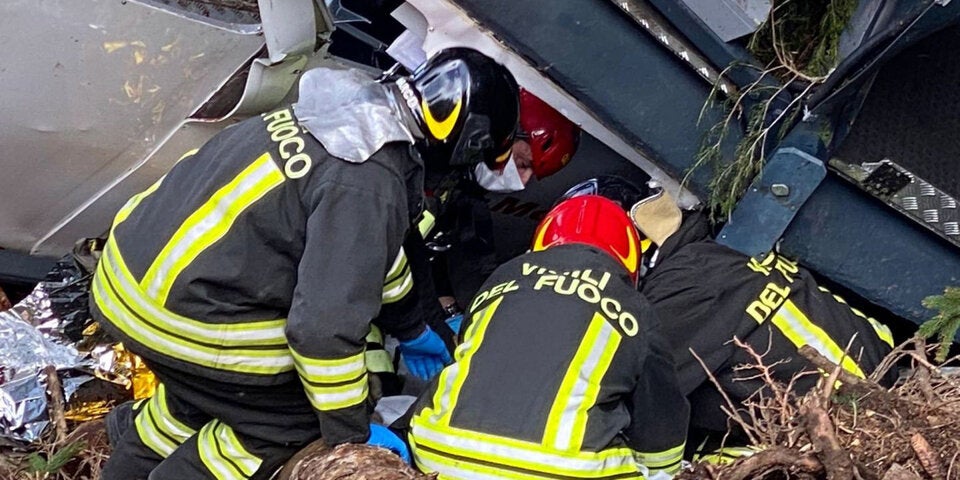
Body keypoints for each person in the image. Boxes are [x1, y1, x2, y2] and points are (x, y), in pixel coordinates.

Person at [91, 47, 520, 479]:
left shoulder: (339, 120)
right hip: (184, 316)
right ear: (466, 144)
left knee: (199, 400)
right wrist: (350, 430)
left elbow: (376, 259)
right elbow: (321, 332)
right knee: (289, 421)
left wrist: (413, 329)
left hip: (128, 283)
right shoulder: (369, 181)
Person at [560, 175, 897, 458]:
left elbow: (619, 404)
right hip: (874, 384)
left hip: (851, 422)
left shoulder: (682, 291)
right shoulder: (705, 258)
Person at [405, 194, 690, 479]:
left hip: (440, 450)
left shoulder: (504, 277)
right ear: (628, 256)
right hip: (561, 469)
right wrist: (664, 473)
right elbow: (660, 416)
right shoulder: (634, 307)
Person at [414, 88, 582, 343]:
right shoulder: (421, 163)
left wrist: (454, 314)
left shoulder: (466, 199)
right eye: (523, 163)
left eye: (532, 173)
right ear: (504, 134)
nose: (523, 182)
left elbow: (461, 265)